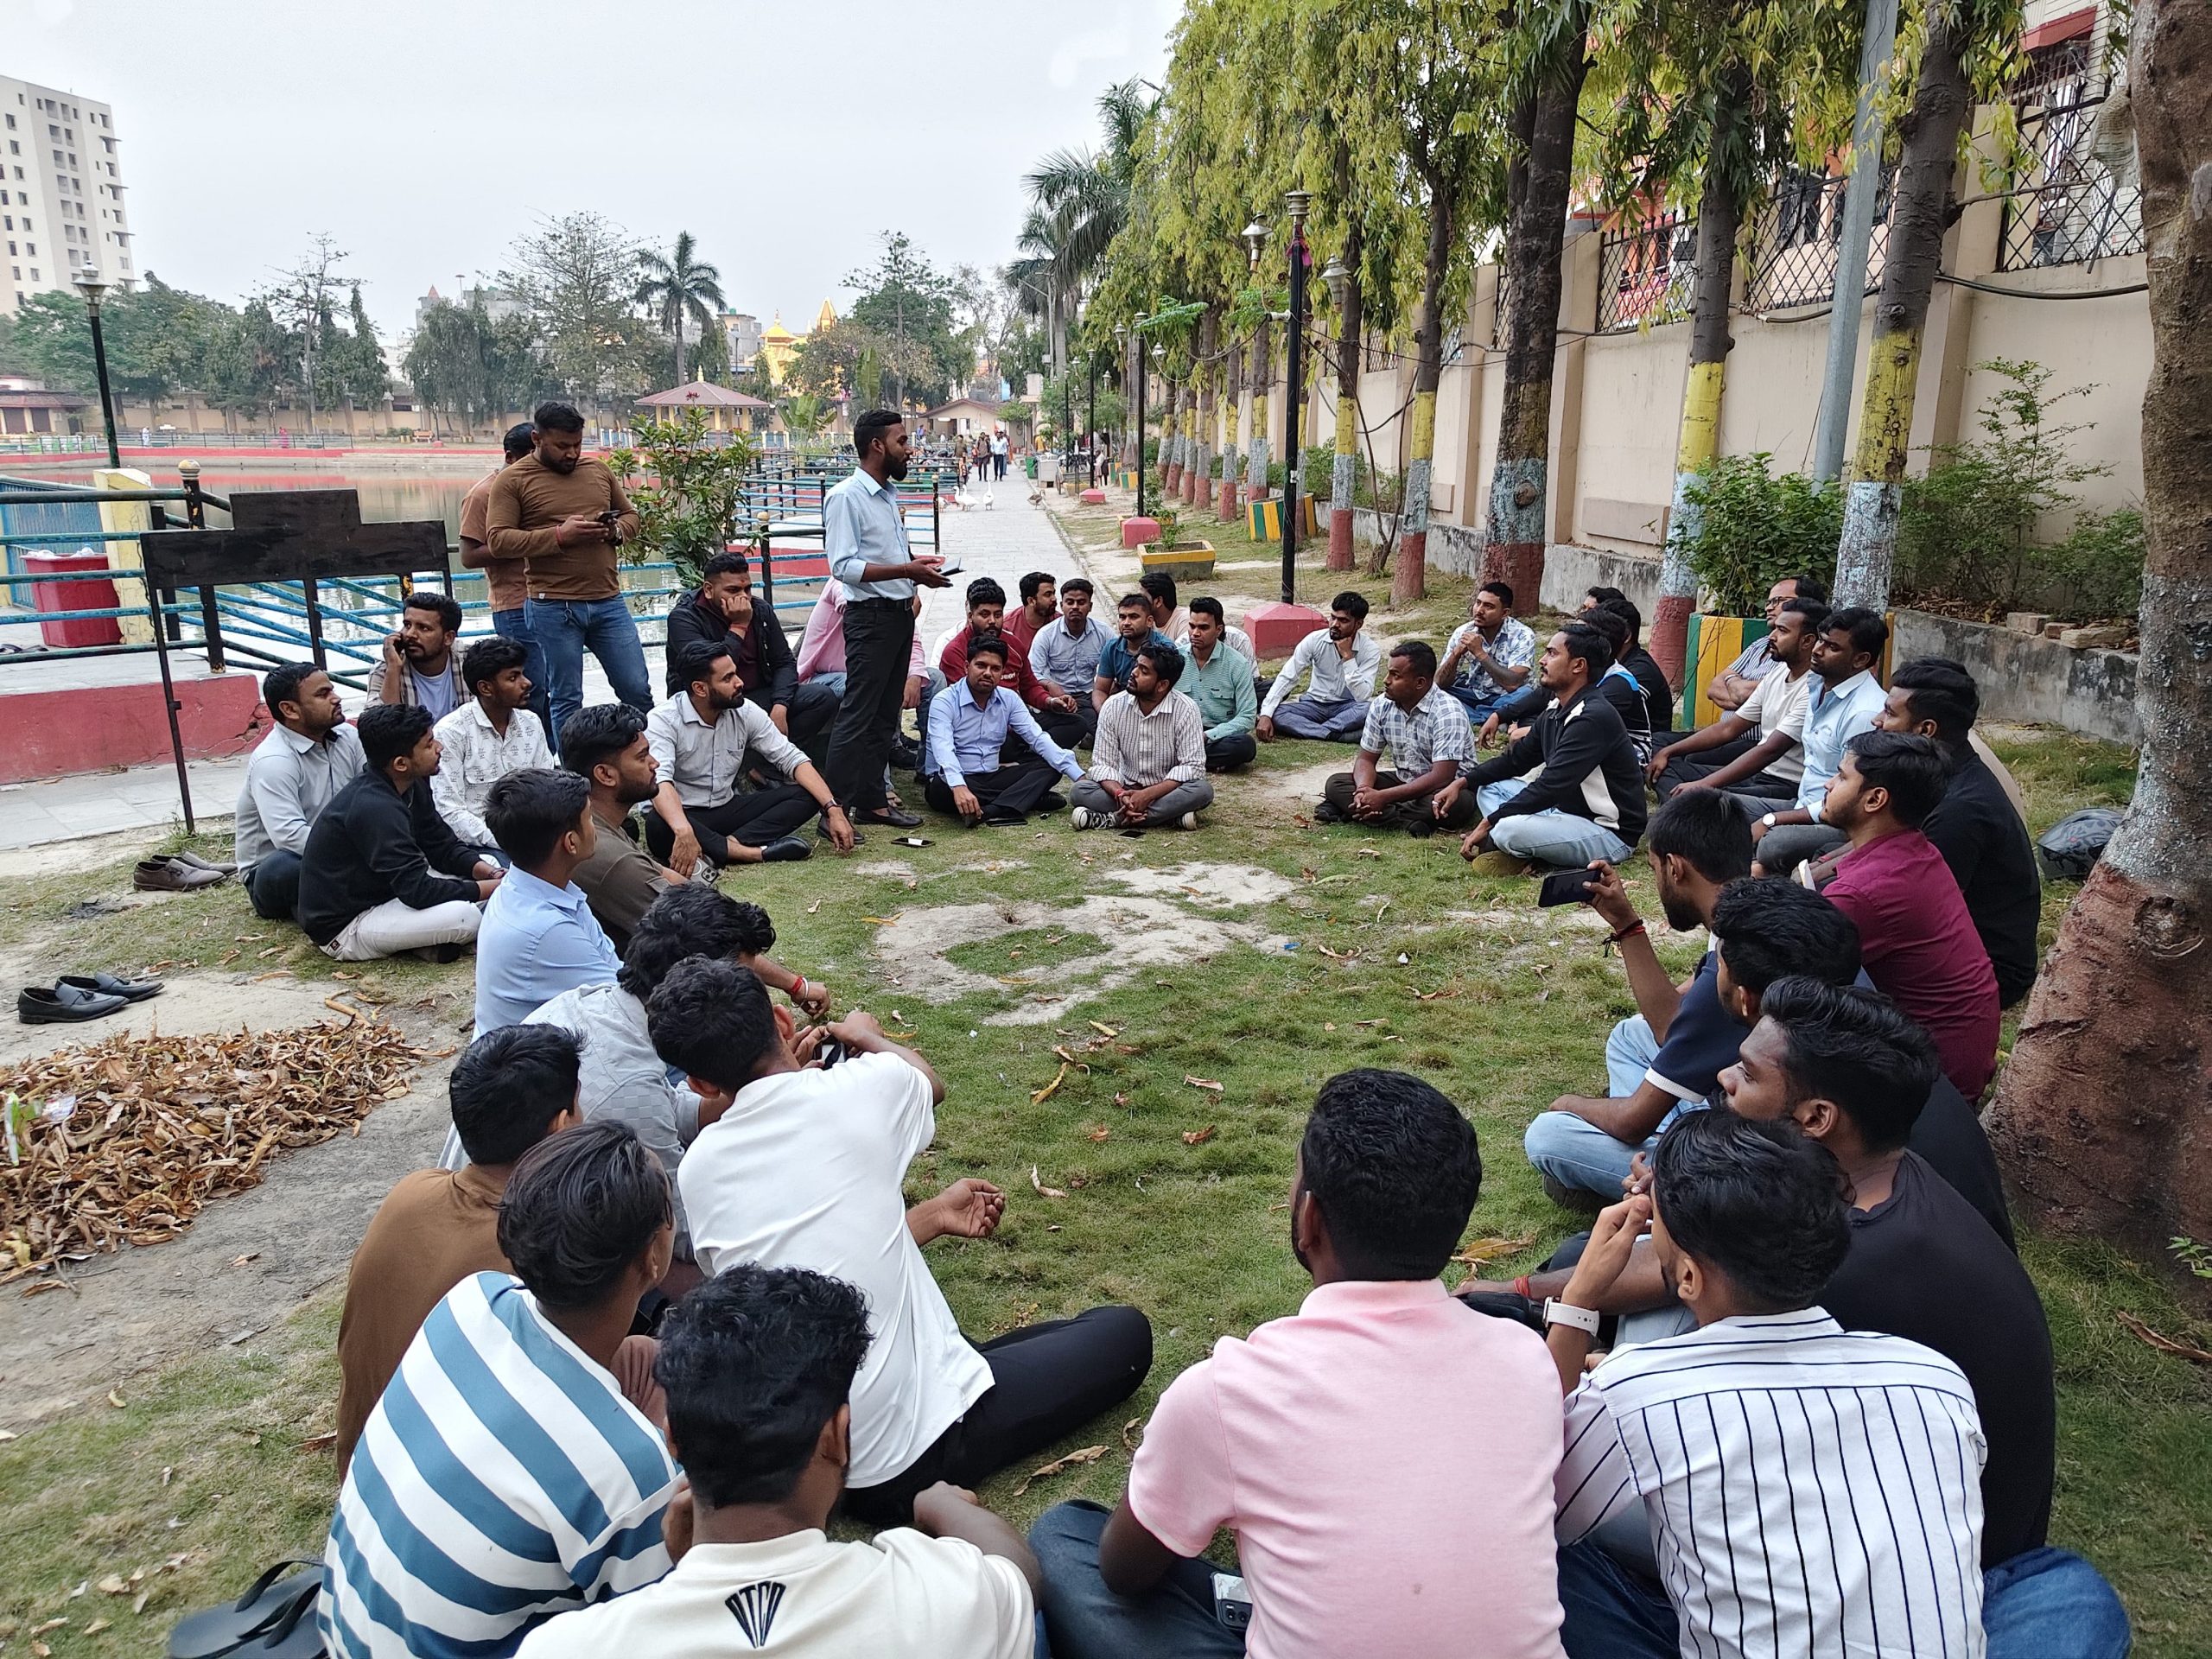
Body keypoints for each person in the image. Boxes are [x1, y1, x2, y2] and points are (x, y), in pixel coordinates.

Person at [1031, 1071, 1567, 1659]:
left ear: (1309, 1219)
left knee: (1064, 1538)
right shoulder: (1528, 1361)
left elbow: (1123, 1570)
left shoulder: (1229, 1394)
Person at [646, 957, 1154, 1526]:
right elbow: (929, 1084)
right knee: (1123, 1333)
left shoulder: (699, 1170)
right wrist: (868, 1037)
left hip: (801, 1454)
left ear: (700, 1084)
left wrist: (931, 1216)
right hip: (909, 1456)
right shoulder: (863, 1087)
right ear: (783, 1022)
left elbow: (812, 1259)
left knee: (1034, 1341)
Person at [1723, 981, 2131, 1656]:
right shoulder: (1891, 1177)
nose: (1725, 1078)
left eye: (1747, 1073)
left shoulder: (1853, 1263)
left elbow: (1716, 1408)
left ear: (1816, 1118)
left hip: (1933, 1571)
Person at [1548, 1111, 1989, 1659]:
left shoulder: (1635, 1392)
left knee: (1534, 1554)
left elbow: (1528, 1500)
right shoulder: (1935, 1378)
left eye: (1654, 1229)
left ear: (1688, 1277)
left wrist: (1579, 1299)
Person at [514, 1264, 1041, 1659]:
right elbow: (1020, 1577)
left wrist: (682, 1567)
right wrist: (942, 1505)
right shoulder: (942, 1602)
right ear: (838, 1435)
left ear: (671, 1437)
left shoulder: (563, 1648)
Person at [320, 1122, 680, 1659]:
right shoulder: (630, 1472)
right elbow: (658, 1630)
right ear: (652, 1255)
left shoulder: (473, 1299)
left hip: (347, 1631)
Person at [1525, 853, 1864, 1202]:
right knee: (1631, 1034)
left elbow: (1635, 1121)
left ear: (1745, 999)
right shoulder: (1830, 998)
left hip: (1749, 1182)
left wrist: (1568, 1103)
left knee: (1548, 1135)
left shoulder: (1774, 1074)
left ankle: (1647, 1176)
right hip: (1756, 1147)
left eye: (1717, 965)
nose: (1710, 973)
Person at [512, 887, 822, 1266]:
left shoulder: (602, 1006)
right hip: (548, 1257)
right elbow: (683, 1233)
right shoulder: (629, 1084)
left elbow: (670, 1109)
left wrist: (765, 1084)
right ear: (696, 986)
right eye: (741, 984)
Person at [332, 1024, 583, 1474]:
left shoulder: (410, 1193)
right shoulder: (539, 1254)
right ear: (561, 1127)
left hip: (362, 1472)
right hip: (456, 1491)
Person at [1814, 730, 2003, 1097]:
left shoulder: (1864, 892)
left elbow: (1778, 972)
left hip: (1928, 1087)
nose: (1828, 784)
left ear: (1875, 799)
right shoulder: (1915, 850)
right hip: (1952, 1061)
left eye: (1841, 776)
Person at [1875, 657, 2042, 1006]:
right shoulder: (1938, 775)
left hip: (1990, 971)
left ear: (1926, 729)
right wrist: (1815, 874)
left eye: (1889, 713)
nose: (1877, 721)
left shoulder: (1959, 810)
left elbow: (1919, 911)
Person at [484, 402, 651, 741]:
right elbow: (498, 541)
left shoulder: (598, 471)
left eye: (577, 444)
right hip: (553, 606)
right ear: (537, 439)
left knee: (636, 688)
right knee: (566, 697)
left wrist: (614, 532)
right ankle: (573, 770)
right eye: (562, 446)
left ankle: (645, 758)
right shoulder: (512, 480)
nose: (572, 453)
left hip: (608, 601)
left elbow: (631, 517)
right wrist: (560, 536)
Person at [823, 410, 950, 830]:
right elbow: (844, 567)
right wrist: (906, 570)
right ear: (877, 445)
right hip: (870, 619)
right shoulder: (846, 497)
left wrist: (916, 566)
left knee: (884, 716)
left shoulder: (887, 495)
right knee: (858, 715)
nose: (909, 449)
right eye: (902, 441)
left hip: (898, 617)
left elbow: (886, 556)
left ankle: (873, 803)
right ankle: (834, 810)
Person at [296, 703, 503, 962]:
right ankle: (424, 939)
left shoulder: (411, 783)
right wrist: (494, 889)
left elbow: (441, 845)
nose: (439, 748)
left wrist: (489, 874)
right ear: (401, 763)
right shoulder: (374, 808)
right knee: (466, 917)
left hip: (391, 894)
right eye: (429, 744)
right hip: (350, 924)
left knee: (487, 862)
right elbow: (417, 891)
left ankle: (423, 941)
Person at [1444, 623, 1647, 869]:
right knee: (1489, 787)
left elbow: (1551, 786)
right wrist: (1463, 782)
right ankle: (1529, 847)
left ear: (1578, 666)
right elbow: (1516, 761)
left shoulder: (1592, 717)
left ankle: (1517, 845)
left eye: (1552, 653)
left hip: (1606, 831)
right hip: (1561, 813)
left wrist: (1490, 822)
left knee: (1507, 829)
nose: (1542, 660)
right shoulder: (1556, 708)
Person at [646, 641, 855, 872]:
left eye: (735, 673)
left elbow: (791, 758)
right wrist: (683, 829)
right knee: (658, 822)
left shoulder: (744, 710)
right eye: (728, 678)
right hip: (683, 813)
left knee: (808, 794)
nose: (740, 683)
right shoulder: (663, 720)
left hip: (727, 808)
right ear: (700, 689)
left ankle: (727, 846)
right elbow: (660, 781)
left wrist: (833, 809)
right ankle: (752, 853)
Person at [474, 766, 620, 1037]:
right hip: (528, 1060)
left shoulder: (533, 887)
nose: (595, 827)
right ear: (571, 842)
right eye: (590, 818)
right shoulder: (546, 929)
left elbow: (613, 966)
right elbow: (622, 1009)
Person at [1747, 604, 1891, 875]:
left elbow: (1850, 797)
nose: (1817, 650)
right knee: (1716, 805)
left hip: (1836, 821)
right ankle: (1756, 868)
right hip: (1800, 803)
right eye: (1821, 641)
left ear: (1860, 660)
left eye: (1832, 647)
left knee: (1774, 845)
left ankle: (1763, 869)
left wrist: (1774, 819)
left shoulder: (1864, 712)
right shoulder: (1817, 686)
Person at [1646, 594, 1826, 802]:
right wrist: (1667, 752)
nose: (1772, 636)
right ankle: (1682, 810)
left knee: (1707, 797)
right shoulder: (1779, 673)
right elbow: (1728, 729)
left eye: (1782, 631)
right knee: (1664, 764)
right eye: (1775, 628)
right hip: (1757, 775)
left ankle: (1684, 810)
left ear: (1807, 641)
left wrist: (1704, 784)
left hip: (1784, 785)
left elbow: (1770, 750)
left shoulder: (1814, 688)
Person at [663, 551, 839, 761]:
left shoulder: (760, 609)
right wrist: (739, 625)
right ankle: (743, 766)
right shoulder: (684, 618)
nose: (744, 597)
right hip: (712, 700)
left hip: (756, 695)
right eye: (733, 590)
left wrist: (780, 705)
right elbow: (709, 670)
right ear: (709, 590)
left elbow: (784, 662)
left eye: (747, 589)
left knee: (821, 697)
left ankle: (767, 766)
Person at [556, 702, 700, 954]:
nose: (655, 763)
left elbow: (667, 876)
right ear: (605, 775)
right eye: (642, 757)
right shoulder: (607, 855)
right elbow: (702, 931)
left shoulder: (593, 819)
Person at [232, 662, 365, 922]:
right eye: (323, 694)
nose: (336, 698)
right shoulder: (274, 760)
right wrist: (360, 853)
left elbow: (373, 793)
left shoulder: (348, 736)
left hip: (341, 857)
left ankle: (334, 904)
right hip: (285, 867)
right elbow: (290, 837)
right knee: (284, 868)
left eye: (332, 690)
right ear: (290, 710)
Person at [925, 634, 1086, 826]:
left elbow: (1037, 738)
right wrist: (959, 786)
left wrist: (1080, 777)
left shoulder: (1009, 699)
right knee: (940, 789)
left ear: (1002, 672)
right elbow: (943, 749)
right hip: (957, 779)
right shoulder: (944, 701)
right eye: (981, 666)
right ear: (966, 667)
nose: (988, 673)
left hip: (993, 776)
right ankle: (1026, 798)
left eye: (995, 669)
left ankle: (990, 810)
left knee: (1050, 768)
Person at [1319, 640, 1476, 835]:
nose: (1386, 680)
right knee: (1336, 783)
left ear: (1420, 683)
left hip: (1446, 787)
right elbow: (1366, 759)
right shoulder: (1381, 705)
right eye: (1388, 673)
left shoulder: (1448, 711)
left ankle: (1360, 812)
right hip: (1404, 781)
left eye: (1395, 675)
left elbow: (1441, 777)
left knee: (1458, 804)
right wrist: (1363, 790)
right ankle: (1403, 821)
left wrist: (1384, 797)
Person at [459, 420, 550, 730]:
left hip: (551, 600)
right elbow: (469, 555)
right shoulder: (482, 494)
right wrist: (528, 542)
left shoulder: (542, 488)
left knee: (556, 691)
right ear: (511, 458)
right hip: (514, 604)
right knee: (528, 692)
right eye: (530, 460)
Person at [1074, 643, 1216, 830]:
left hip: (1165, 791)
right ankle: (1169, 817)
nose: (1134, 673)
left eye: (1144, 671)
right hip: (1124, 789)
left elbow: (1192, 767)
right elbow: (1103, 764)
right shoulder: (1113, 706)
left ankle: (1114, 819)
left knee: (1202, 790)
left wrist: (1148, 795)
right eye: (1136, 666)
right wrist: (1120, 794)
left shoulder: (1186, 709)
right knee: (1079, 791)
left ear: (1162, 685)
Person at [934, 576, 1088, 747]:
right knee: (1001, 742)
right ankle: (1032, 753)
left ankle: (1029, 753)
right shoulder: (955, 651)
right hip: (981, 726)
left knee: (1077, 724)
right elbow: (965, 705)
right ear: (971, 616)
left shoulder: (1013, 644)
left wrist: (1050, 702)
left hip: (1019, 719)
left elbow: (1029, 686)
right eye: (985, 615)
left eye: (997, 615)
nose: (992, 621)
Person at [430, 636, 556, 847]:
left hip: (534, 838)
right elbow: (450, 810)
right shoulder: (451, 732)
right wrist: (507, 842)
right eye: (513, 678)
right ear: (486, 688)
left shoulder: (531, 723)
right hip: (479, 844)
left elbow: (548, 789)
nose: (527, 683)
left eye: (522, 673)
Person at [1696, 572, 1827, 723]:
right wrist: (1752, 701)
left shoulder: (1801, 653)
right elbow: (1714, 688)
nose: (1769, 608)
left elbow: (1745, 693)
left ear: (1805, 603)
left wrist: (1732, 681)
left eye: (1778, 601)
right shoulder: (1760, 644)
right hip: (1728, 732)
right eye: (1769, 602)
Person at [1256, 591, 1381, 742]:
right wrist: (1266, 715)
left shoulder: (1370, 650)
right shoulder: (1314, 640)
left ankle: (1312, 729)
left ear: (1358, 624)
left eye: (1343, 620)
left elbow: (1362, 697)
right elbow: (1288, 677)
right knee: (1277, 713)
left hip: (1347, 708)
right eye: (1333, 617)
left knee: (1369, 708)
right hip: (1313, 705)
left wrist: (1348, 658)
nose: (1334, 624)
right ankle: (1333, 734)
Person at [1436, 580, 1536, 721]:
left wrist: (1480, 653)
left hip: (1507, 696)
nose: (1479, 610)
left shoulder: (1522, 635)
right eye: (1478, 603)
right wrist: (1456, 654)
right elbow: (1439, 683)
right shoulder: (1463, 632)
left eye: (1488, 606)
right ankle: (1493, 717)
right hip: (1475, 693)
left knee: (1527, 694)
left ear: (1504, 613)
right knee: (1435, 692)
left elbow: (1513, 684)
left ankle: (1473, 715)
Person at [1180, 597, 1257, 772]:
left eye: (1203, 628)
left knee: (1245, 746)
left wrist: (1207, 735)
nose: (1195, 633)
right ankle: (1204, 761)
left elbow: (1247, 717)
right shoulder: (1175, 660)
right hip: (1180, 733)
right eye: (1192, 626)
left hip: (1217, 736)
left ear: (1218, 630)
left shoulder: (1237, 664)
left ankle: (1183, 758)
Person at [365, 590, 467, 719]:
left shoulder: (468, 660)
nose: (410, 634)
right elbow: (379, 726)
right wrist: (393, 669)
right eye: (407, 625)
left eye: (424, 628)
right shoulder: (386, 667)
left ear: (448, 638)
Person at [1585, 593, 1674, 734]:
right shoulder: (1605, 664)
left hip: (1649, 744)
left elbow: (1591, 712)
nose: (1590, 639)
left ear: (1626, 636)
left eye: (1599, 631)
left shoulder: (1640, 670)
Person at [1091, 592, 1177, 712]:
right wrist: (1105, 714)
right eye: (1122, 617)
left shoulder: (1165, 649)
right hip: (1120, 709)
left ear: (1149, 621)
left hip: (1156, 710)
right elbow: (1100, 690)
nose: (1126, 623)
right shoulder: (1112, 648)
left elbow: (1169, 693)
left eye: (1133, 617)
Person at [1030, 576, 1108, 704]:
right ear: (1062, 606)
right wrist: (1049, 684)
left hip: (1091, 694)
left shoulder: (1104, 633)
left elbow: (1118, 660)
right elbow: (1034, 671)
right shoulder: (1046, 635)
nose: (1075, 607)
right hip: (1057, 697)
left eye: (1081, 602)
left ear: (1090, 606)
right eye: (1070, 602)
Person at [1006, 569, 1058, 652]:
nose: (1054, 599)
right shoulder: (1007, 628)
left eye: (1053, 593)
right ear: (1031, 601)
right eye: (1047, 595)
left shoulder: (1061, 623)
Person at [1138, 569, 1187, 645]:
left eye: (1143, 598)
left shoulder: (1185, 621)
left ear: (1158, 601)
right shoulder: (1146, 619)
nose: (1138, 602)